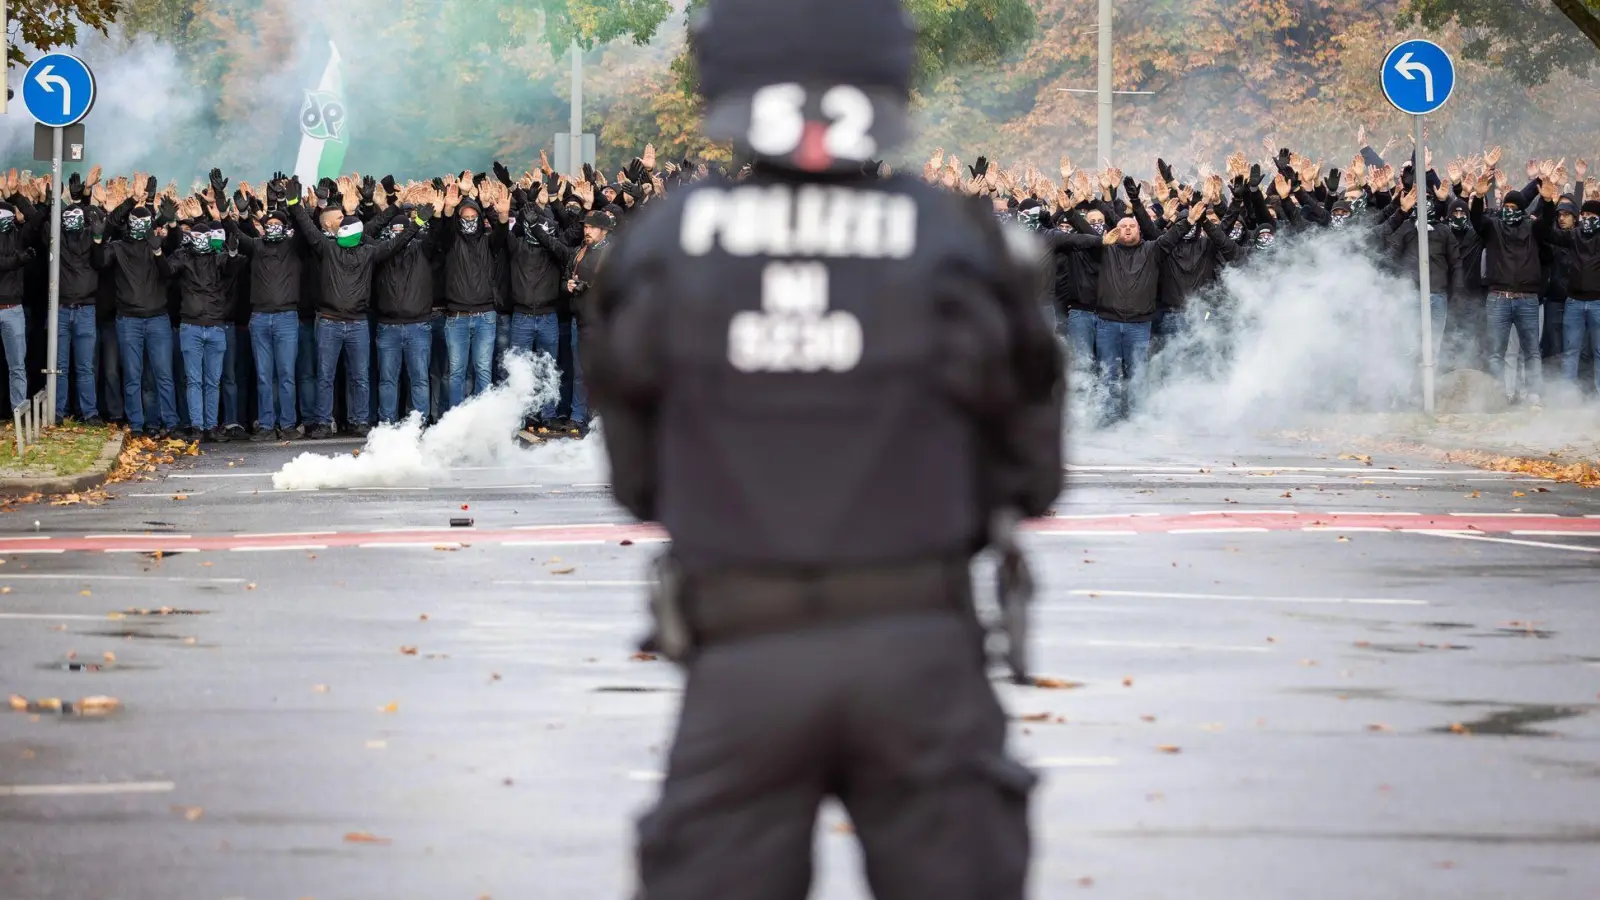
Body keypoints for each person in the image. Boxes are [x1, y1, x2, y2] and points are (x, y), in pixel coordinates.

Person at [585, 0, 1064, 896]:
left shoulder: (659, 245)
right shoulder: (961, 241)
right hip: (923, 652)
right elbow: (1034, 475)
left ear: (723, 78)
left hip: (741, 652)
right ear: (893, 76)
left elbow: (635, 481)